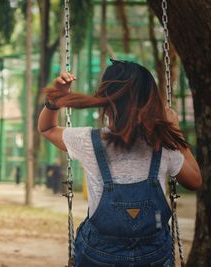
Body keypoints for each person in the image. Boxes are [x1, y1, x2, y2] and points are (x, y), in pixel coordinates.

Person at [37, 59, 202, 267]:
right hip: (153, 257)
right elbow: (195, 180)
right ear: (151, 101)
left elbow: (46, 129)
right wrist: (175, 133)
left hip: (99, 257)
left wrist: (54, 101)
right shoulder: (162, 145)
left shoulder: (89, 141)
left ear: (106, 101)